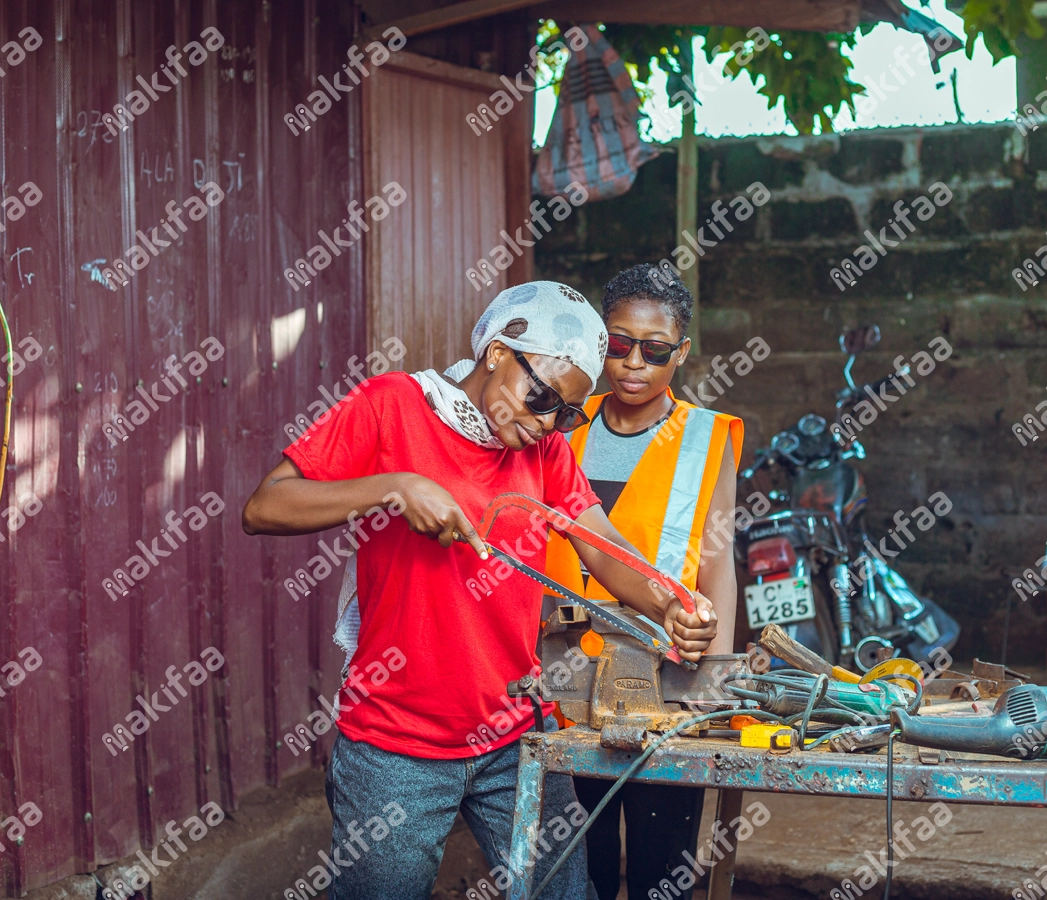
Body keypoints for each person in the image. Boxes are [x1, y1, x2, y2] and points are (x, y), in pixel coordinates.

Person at [240, 281, 720, 900]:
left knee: (565, 891)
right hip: (397, 744)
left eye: (567, 413)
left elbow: (596, 538)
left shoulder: (544, 449)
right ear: (497, 351)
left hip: (516, 733)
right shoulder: (393, 405)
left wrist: (669, 603)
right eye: (541, 395)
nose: (547, 421)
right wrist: (395, 486)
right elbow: (265, 505)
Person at [543, 264, 742, 900]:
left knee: (662, 862)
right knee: (575, 862)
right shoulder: (559, 422)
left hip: (660, 678)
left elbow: (719, 562)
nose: (634, 364)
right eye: (620, 344)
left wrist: (715, 680)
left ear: (681, 353)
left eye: (655, 351)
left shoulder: (708, 437)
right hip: (557, 673)